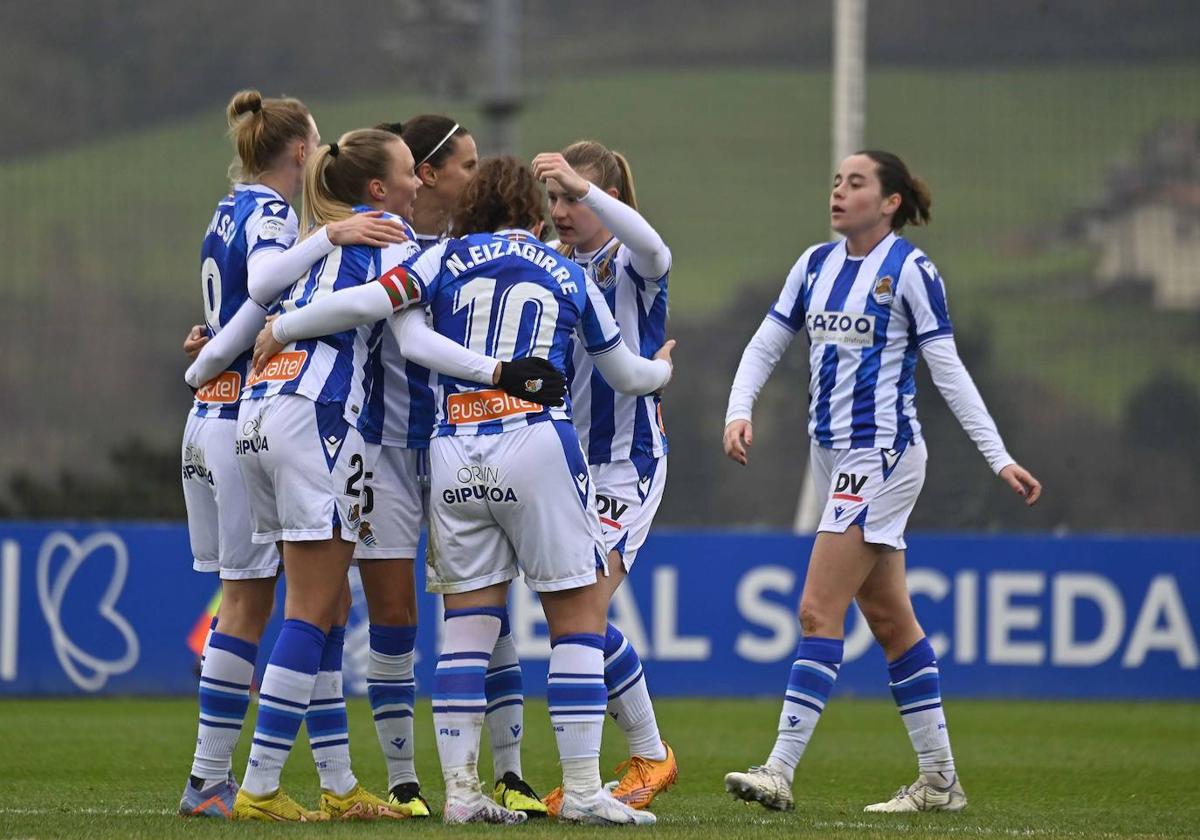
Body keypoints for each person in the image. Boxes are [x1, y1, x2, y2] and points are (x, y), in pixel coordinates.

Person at [257, 155, 676, 826]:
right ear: (533, 215)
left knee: (466, 630)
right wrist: (660, 371)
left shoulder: (441, 259)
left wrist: (281, 326)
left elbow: (368, 305)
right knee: (576, 619)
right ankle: (583, 790)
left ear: (470, 206)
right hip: (536, 441)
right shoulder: (563, 268)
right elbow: (625, 374)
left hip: (453, 450)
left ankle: (460, 793)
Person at [721, 150, 1042, 814]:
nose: (839, 192)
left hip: (882, 456)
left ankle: (779, 769)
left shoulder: (912, 272)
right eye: (836, 181)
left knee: (817, 609)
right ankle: (940, 782)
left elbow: (948, 371)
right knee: (892, 621)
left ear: (890, 201)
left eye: (856, 183)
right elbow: (765, 344)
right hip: (829, 457)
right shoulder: (814, 265)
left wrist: (998, 456)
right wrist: (738, 410)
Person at [177, 90, 406, 819]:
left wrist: (204, 361)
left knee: (320, 601)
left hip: (220, 413)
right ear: (302, 151)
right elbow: (264, 288)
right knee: (261, 604)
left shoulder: (227, 210)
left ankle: (333, 783)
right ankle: (220, 782)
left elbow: (245, 312)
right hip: (260, 413)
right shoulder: (277, 217)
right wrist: (332, 235)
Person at [378, 115, 547, 817]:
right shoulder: (385, 244)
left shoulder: (471, 252)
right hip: (387, 448)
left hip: (463, 444)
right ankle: (401, 781)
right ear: (428, 174)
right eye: (467, 164)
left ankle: (507, 774)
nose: (478, 176)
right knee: (392, 618)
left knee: (488, 612)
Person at [529, 141, 677, 814]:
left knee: (583, 605)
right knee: (570, 614)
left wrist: (586, 190)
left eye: (574, 197)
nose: (561, 209)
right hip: (565, 461)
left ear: (607, 199)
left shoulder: (630, 263)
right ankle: (630, 762)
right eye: (554, 197)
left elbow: (656, 247)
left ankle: (646, 755)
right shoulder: (552, 264)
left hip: (626, 463)